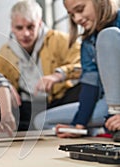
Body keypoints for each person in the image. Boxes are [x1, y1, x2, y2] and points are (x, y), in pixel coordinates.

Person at [0, 0, 81, 131]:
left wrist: (58, 75)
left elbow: (84, 63)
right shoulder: (5, 51)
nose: (25, 34)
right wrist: (5, 86)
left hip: (58, 101)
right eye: (19, 28)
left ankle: (35, 125)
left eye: (31, 27)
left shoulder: (60, 40)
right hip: (26, 106)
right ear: (12, 27)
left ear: (39, 23)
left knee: (84, 87)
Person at [36, 0, 120, 140]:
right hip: (108, 106)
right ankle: (104, 125)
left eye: (80, 9)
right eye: (72, 15)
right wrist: (78, 126)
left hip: (116, 108)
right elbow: (90, 87)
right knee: (42, 121)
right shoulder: (87, 43)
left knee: (108, 35)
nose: (77, 19)